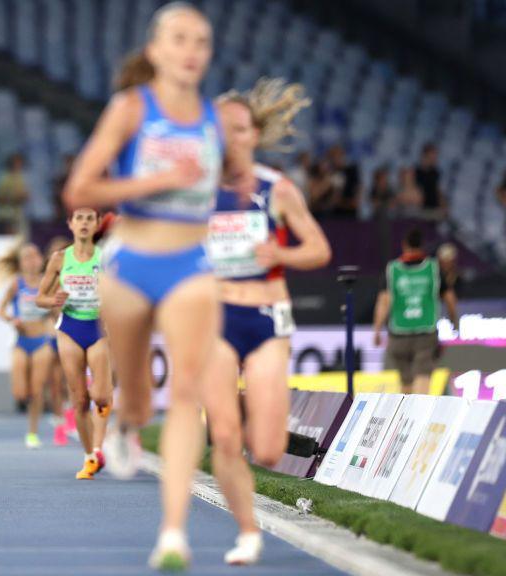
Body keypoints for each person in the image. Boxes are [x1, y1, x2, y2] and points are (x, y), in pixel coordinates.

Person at [62, 3, 224, 568]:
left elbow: (242, 174)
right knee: (132, 391)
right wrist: (156, 180)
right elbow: (79, 187)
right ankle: (128, 424)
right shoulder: (131, 109)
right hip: (129, 264)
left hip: (191, 266)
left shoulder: (215, 117)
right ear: (155, 50)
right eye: (179, 39)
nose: (191, 50)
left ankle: (173, 533)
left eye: (201, 41)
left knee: (185, 395)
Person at [201, 78, 331, 565]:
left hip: (266, 317)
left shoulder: (277, 190)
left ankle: (260, 411)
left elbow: (319, 249)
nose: (227, 139)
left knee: (270, 449)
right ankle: (248, 532)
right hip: (215, 319)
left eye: (237, 130)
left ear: (253, 135)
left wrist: (279, 251)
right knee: (226, 437)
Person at [37, 208, 111, 478]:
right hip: (69, 328)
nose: (83, 223)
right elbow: (39, 298)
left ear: (97, 224)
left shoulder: (106, 257)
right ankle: (91, 456)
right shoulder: (59, 259)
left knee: (101, 396)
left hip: (97, 327)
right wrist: (53, 301)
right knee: (79, 399)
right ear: (70, 224)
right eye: (78, 218)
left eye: (89, 219)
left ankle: (103, 404)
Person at [372, 227, 459, 395]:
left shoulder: (392, 269)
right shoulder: (433, 269)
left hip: (399, 333)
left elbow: (384, 302)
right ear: (422, 245)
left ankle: (406, 418)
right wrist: (454, 320)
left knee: (405, 381)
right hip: (425, 332)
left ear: (404, 245)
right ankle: (419, 416)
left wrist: (377, 329)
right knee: (423, 374)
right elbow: (450, 298)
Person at [0, 241, 56, 448]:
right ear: (21, 263)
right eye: (27, 257)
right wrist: (13, 320)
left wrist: (53, 322)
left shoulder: (47, 283)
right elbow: (0, 311)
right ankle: (29, 400)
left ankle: (32, 432)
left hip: (42, 342)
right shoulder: (16, 284)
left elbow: (57, 312)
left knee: (37, 390)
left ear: (41, 260)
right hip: (21, 342)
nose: (32, 261)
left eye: (35, 256)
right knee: (21, 393)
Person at [44, 235, 72, 446]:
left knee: (70, 379)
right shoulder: (49, 276)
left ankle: (71, 416)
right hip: (53, 332)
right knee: (55, 383)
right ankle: (59, 422)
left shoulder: (78, 273)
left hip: (72, 331)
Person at [414, 143, 446, 217]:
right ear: (425, 155)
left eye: (436, 155)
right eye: (433, 155)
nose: (435, 158)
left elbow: (438, 191)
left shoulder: (435, 172)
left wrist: (443, 205)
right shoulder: (416, 172)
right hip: (419, 211)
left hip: (433, 210)